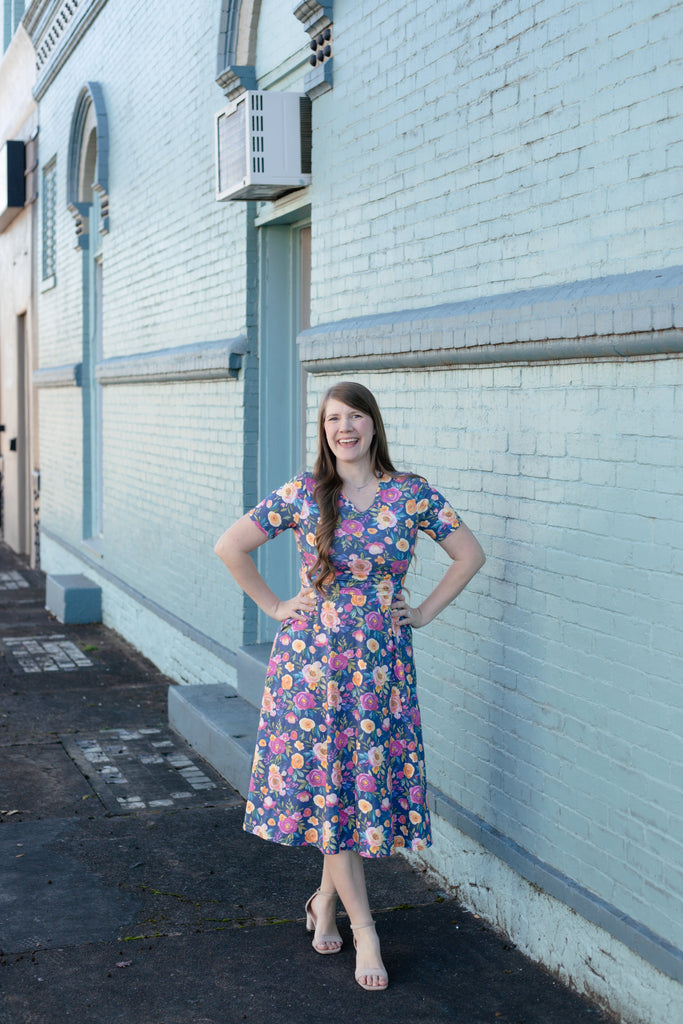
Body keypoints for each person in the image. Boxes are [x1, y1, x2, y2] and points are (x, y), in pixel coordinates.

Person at [214, 381, 485, 991]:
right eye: (334, 418)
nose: (345, 428)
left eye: (355, 416)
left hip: (381, 668)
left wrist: (424, 612)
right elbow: (229, 546)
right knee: (333, 793)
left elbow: (470, 555)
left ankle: (324, 902)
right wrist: (276, 605)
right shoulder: (305, 493)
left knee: (353, 791)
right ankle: (368, 930)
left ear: (373, 425)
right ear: (324, 429)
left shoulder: (411, 493)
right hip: (312, 670)